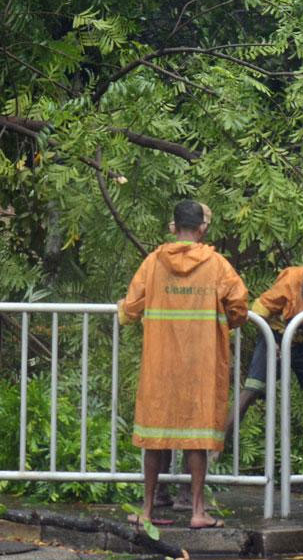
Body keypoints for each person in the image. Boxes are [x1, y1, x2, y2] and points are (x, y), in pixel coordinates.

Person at [117, 200, 248, 529]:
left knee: (154, 434)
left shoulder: (153, 262)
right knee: (196, 437)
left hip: (160, 364)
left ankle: (146, 511)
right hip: (200, 363)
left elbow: (131, 308)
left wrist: (122, 308)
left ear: (174, 227)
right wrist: (225, 324)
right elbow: (239, 305)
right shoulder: (217, 265)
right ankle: (197, 511)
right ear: (201, 229)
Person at [231, 255, 303, 468]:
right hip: (277, 334)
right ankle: (214, 451)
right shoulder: (290, 280)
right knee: (252, 390)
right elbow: (259, 309)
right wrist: (270, 338)